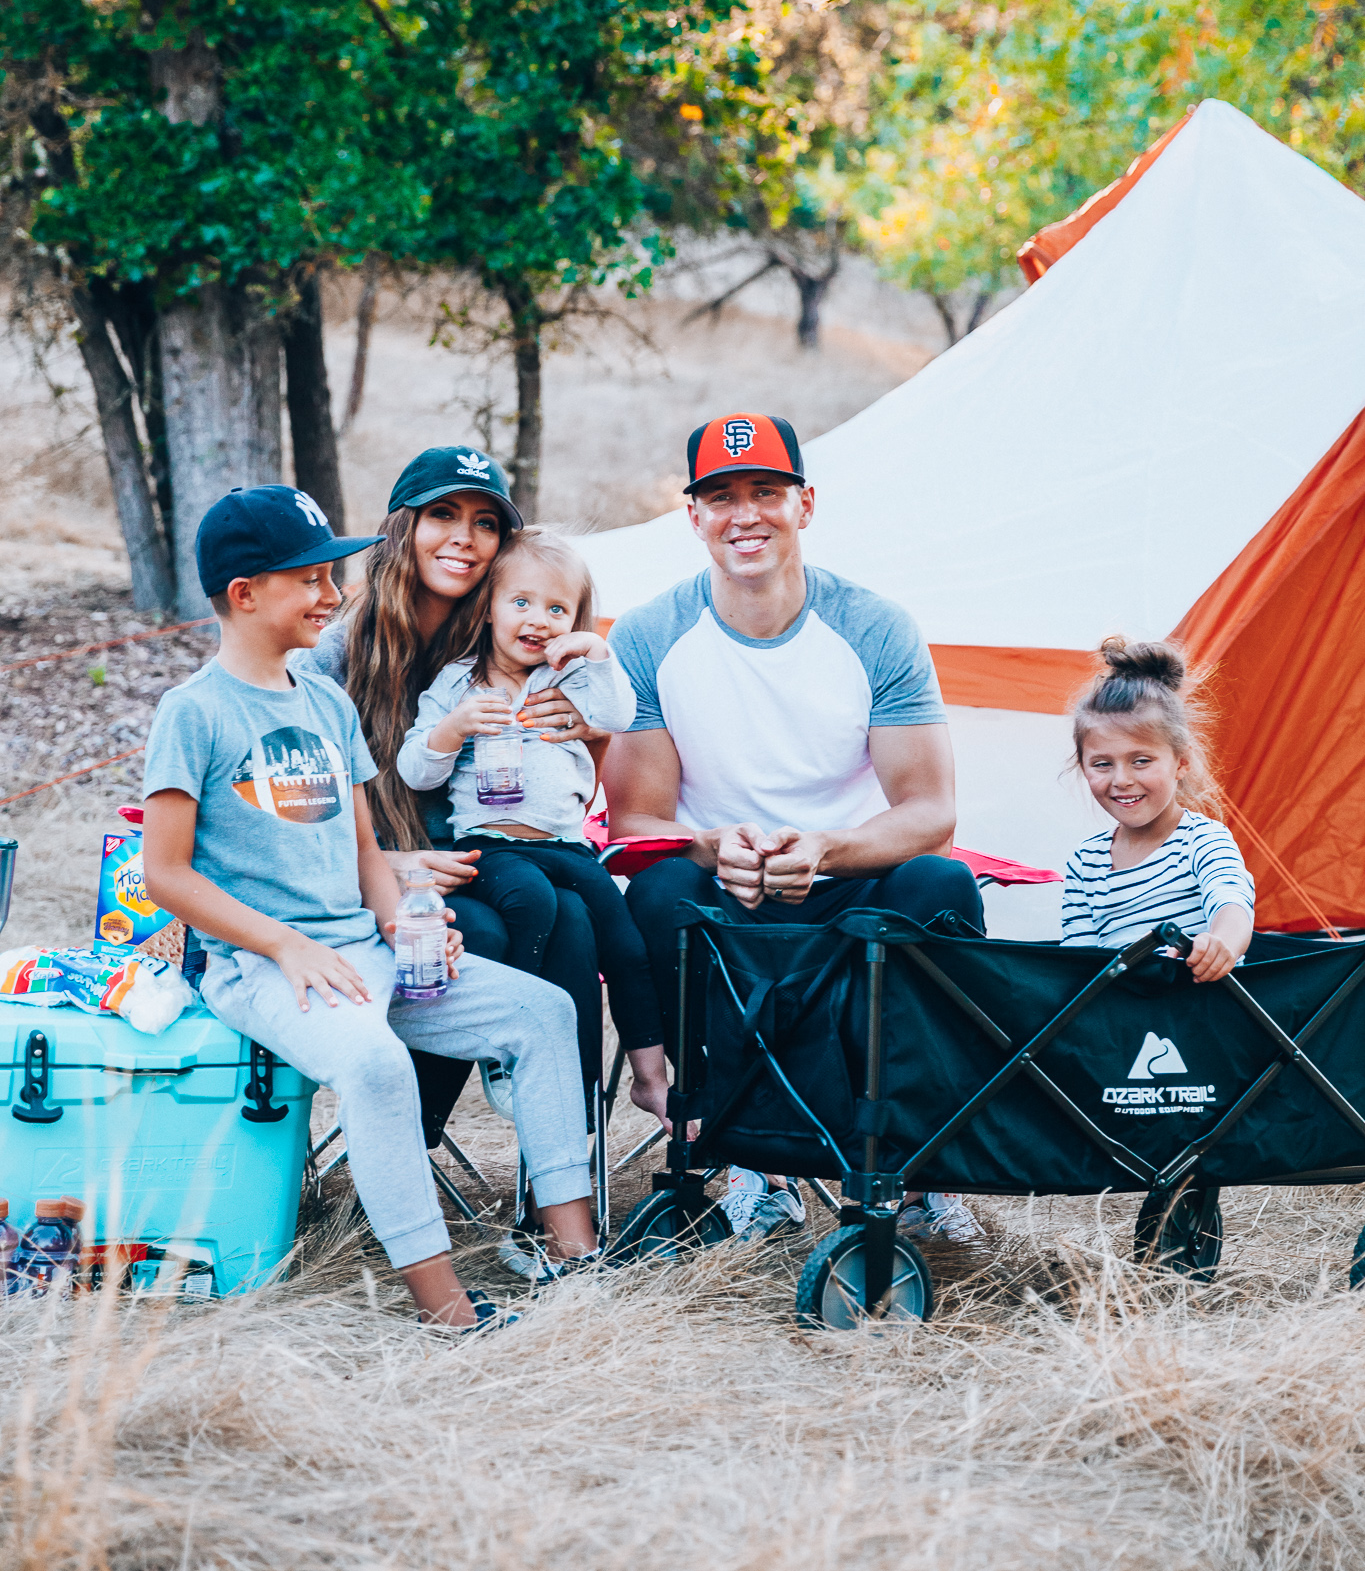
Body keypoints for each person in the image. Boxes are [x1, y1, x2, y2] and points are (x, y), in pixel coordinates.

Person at [141, 486, 599, 1330]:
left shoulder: (324, 703)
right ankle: (447, 1309)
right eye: (310, 579)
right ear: (244, 593)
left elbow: (360, 852)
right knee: (378, 1067)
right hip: (259, 965)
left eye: (332, 575)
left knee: (544, 1013)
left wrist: (403, 922)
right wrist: (284, 946)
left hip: (366, 946)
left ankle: (579, 1264)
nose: (332, 594)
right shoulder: (193, 712)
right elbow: (165, 873)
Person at [603, 412, 985, 1245]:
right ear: (692, 515)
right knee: (660, 888)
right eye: (721, 496)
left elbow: (929, 812)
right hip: (723, 884)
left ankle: (920, 1167)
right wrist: (716, 847)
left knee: (941, 883)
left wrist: (826, 850)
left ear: (804, 505)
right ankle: (748, 1161)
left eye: (765, 493)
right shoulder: (647, 635)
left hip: (848, 878)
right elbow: (635, 819)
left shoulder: (873, 627)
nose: (745, 514)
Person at [291, 447, 607, 1131]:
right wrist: (391, 865)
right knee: (483, 930)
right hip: (371, 871)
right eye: (443, 514)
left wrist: (589, 730)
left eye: (485, 522)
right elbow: (295, 812)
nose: (464, 536)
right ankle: (407, 1133)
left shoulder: (511, 643)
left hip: (479, 855)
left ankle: (564, 1152)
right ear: (403, 526)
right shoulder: (337, 652)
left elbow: (572, 784)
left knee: (574, 919)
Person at [396, 526, 671, 1125]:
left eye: (556, 609)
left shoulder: (567, 681)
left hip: (567, 845)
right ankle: (506, 1050)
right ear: (488, 605)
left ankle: (650, 1079)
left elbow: (619, 714)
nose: (537, 619)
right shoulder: (457, 684)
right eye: (519, 602)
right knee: (531, 902)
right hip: (491, 846)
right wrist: (454, 729)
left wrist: (596, 653)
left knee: (624, 941)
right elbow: (415, 770)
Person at [1061, 637, 1254, 978]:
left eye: (1141, 761)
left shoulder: (1202, 841)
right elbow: (1078, 969)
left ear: (1181, 762)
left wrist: (1222, 943)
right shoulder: (1085, 863)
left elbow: (1232, 901)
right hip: (1120, 1021)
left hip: (1195, 1010)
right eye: (1102, 764)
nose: (1121, 779)